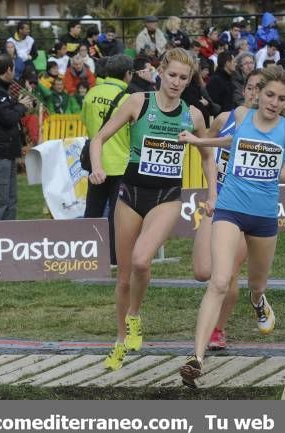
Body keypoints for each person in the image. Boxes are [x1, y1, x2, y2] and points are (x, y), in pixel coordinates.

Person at [178, 65, 285, 388]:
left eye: (281, 98)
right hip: (229, 210)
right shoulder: (240, 114)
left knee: (257, 282)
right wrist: (199, 140)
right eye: (269, 94)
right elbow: (233, 140)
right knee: (219, 280)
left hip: (264, 218)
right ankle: (196, 358)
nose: (274, 102)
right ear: (257, 92)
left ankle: (258, 301)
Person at [87, 48, 217, 371]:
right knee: (124, 275)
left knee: (142, 260)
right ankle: (120, 339)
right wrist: (97, 168)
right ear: (160, 71)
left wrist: (213, 192)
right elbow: (98, 138)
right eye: (171, 75)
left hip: (168, 197)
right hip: (130, 193)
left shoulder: (193, 116)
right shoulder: (137, 103)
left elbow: (207, 156)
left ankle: (134, 315)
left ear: (190, 81)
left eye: (183, 78)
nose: (175, 82)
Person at [193, 69, 285, 351]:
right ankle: (254, 299)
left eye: (260, 90)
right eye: (251, 88)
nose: (254, 94)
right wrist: (211, 191)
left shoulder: (278, 130)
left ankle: (217, 330)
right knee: (203, 271)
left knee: (227, 274)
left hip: (248, 204)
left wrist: (258, 163)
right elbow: (208, 152)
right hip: (219, 201)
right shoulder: (228, 119)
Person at [82, 55, 133, 266]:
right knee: (116, 214)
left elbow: (85, 122)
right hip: (120, 162)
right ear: (127, 74)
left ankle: (88, 253)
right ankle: (113, 257)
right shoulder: (128, 99)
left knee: (93, 210)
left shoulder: (91, 93)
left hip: (97, 162)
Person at [0, 54, 33, 221]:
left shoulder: (1, 91)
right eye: (14, 69)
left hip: (7, 152)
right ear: (8, 70)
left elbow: (8, 112)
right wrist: (21, 106)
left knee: (10, 200)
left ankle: (8, 237)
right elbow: (8, 117)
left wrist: (20, 104)